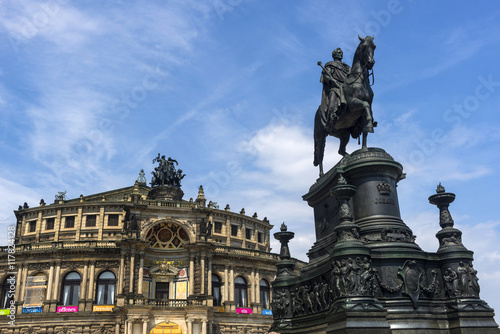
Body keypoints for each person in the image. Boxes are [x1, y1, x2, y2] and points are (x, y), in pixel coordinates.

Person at [318, 48, 351, 131]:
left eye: (342, 53)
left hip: (346, 87)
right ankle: (331, 116)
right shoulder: (330, 64)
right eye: (339, 53)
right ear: (334, 54)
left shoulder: (346, 66)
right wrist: (332, 81)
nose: (341, 54)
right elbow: (326, 76)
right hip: (335, 86)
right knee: (333, 95)